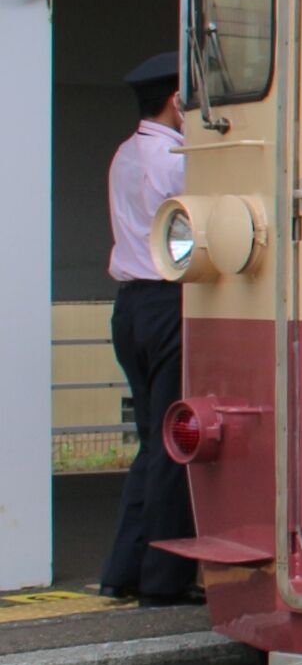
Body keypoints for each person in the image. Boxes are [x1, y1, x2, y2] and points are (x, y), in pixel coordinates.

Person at [101, 52, 198, 606]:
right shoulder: (178, 162)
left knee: (147, 442)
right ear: (177, 102)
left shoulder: (123, 155)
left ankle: (123, 569)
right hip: (167, 303)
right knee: (172, 444)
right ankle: (164, 580)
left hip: (129, 308)